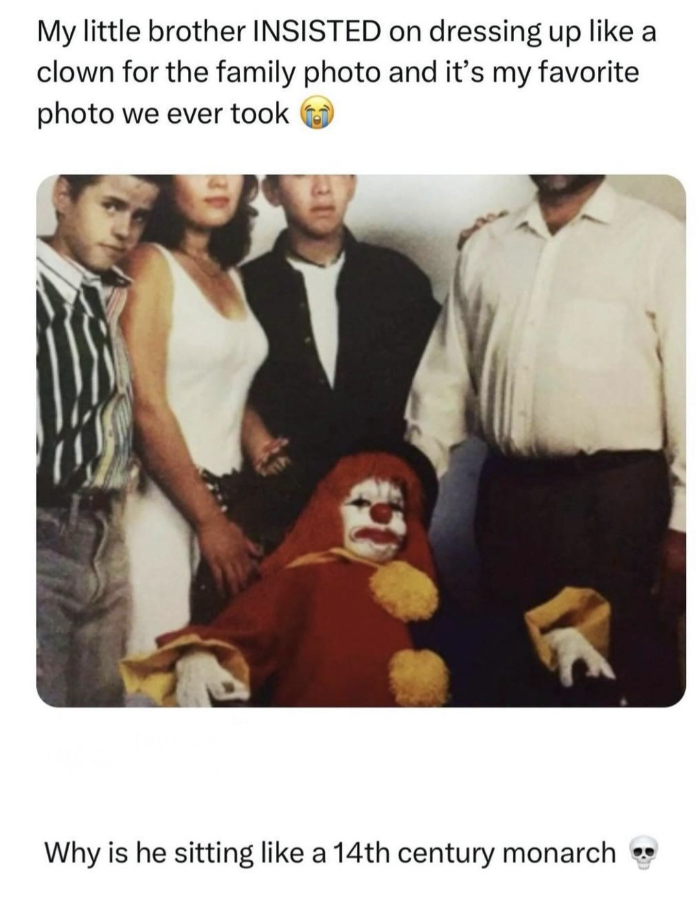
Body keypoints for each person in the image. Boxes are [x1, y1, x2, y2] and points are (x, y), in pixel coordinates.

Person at [407, 175, 685, 706]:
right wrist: (410, 495)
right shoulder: (488, 246)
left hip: (620, 509)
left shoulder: (658, 241)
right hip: (510, 504)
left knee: (625, 679)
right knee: (514, 680)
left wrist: (684, 526)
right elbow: (442, 385)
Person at [120, 451, 614, 708]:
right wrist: (199, 656)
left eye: (396, 508)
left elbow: (482, 638)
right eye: (361, 503)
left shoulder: (420, 597)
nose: (380, 514)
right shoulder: (301, 582)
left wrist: (559, 634)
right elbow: (239, 633)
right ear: (327, 513)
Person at [121, 175, 281, 654]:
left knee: (215, 677)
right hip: (164, 509)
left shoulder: (227, 272)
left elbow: (225, 375)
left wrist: (261, 443)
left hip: (230, 506)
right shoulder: (149, 264)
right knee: (154, 668)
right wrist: (210, 522)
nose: (218, 179)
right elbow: (146, 403)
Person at [240, 175, 439, 543]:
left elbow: (444, 383)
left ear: (352, 183)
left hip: (386, 505)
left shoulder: (398, 279)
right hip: (282, 516)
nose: (321, 187)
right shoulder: (245, 288)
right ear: (272, 191)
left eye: (334, 170)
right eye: (301, 172)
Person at [37, 174, 164, 706]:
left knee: (99, 709)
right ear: (63, 195)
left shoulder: (104, 292)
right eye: (110, 205)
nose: (123, 230)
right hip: (39, 535)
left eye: (138, 216)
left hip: (104, 533)